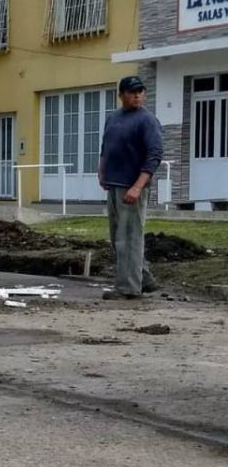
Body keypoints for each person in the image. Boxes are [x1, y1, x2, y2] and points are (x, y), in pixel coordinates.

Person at [98, 75, 163, 300]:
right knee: (118, 237)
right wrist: (102, 169)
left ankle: (128, 288)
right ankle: (143, 278)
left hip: (131, 187)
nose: (137, 95)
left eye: (140, 91)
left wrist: (138, 186)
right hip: (114, 184)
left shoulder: (147, 121)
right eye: (132, 92)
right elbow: (106, 146)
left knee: (130, 237)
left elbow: (154, 156)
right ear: (121, 95)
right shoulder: (113, 118)